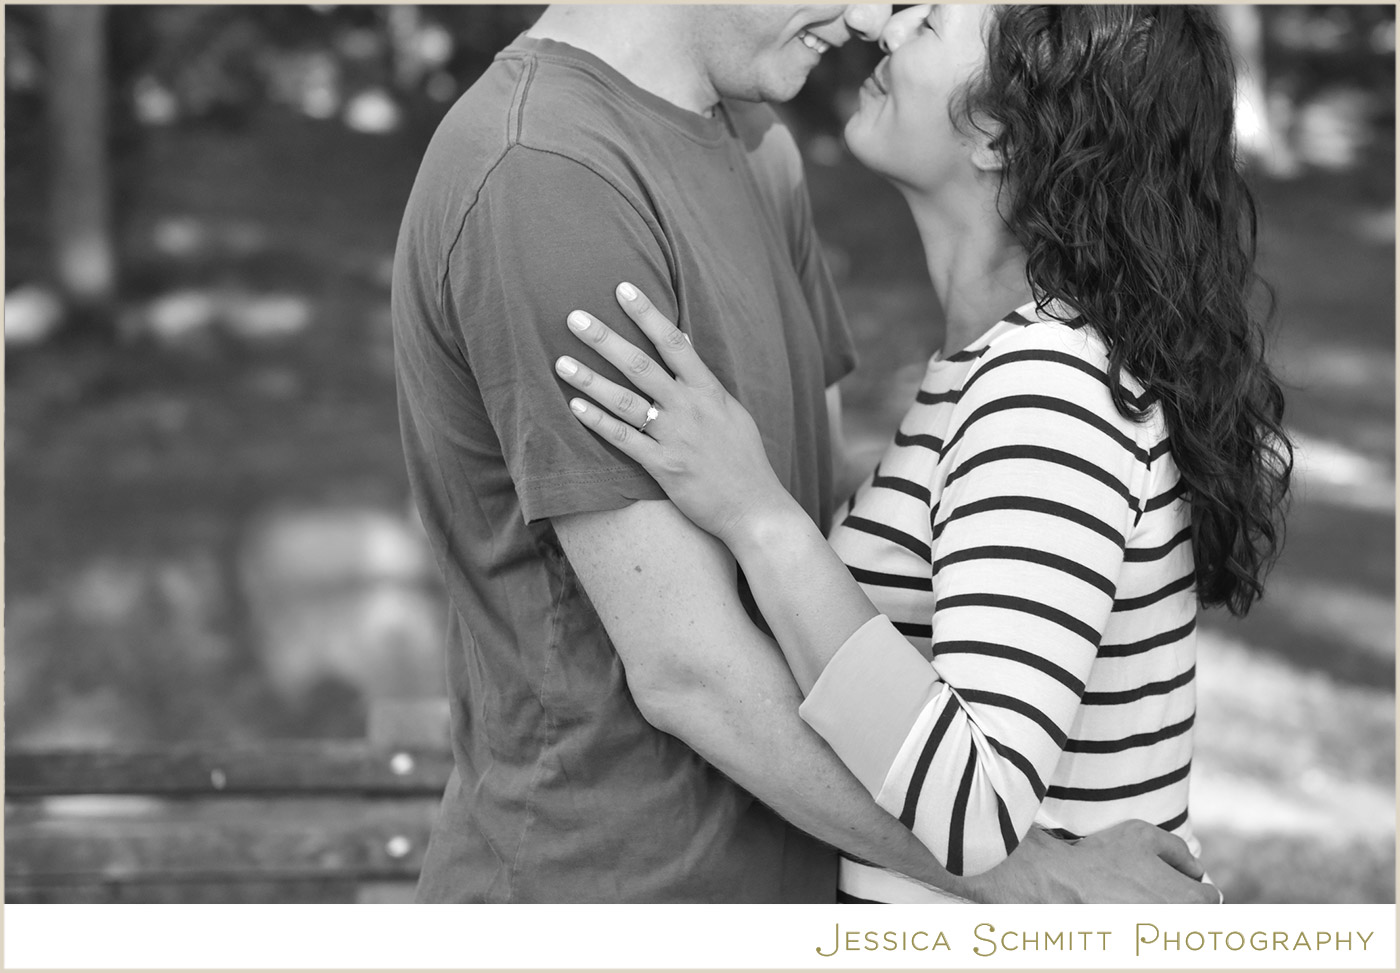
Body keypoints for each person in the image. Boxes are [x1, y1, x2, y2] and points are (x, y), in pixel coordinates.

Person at [393, 3, 1219, 903]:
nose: (875, 18)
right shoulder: (546, 174)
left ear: (1000, 131)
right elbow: (689, 667)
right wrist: (1035, 881)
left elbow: (808, 565)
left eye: (935, 22)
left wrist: (758, 512)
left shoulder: (766, 159)